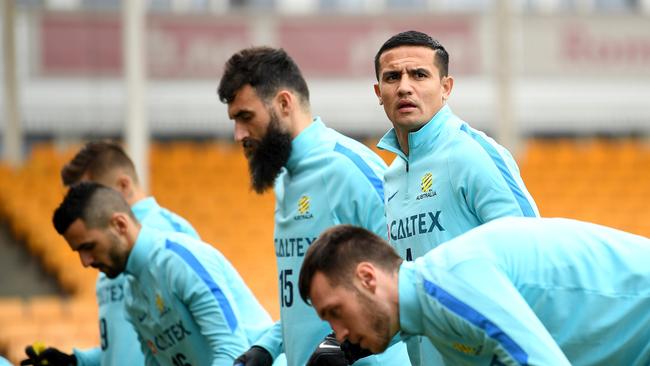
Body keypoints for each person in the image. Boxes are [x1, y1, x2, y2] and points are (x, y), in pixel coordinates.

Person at [217, 47, 409, 366]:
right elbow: (302, 304)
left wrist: (345, 347)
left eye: (245, 117)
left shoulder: (350, 169)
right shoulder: (285, 182)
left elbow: (405, 278)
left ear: (283, 103)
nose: (239, 134)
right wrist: (266, 347)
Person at [373, 30, 539, 364]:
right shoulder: (390, 178)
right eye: (392, 77)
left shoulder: (472, 154)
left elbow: (533, 256)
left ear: (446, 87)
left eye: (419, 74)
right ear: (379, 92)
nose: (404, 86)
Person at [299, 218, 650, 365]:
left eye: (335, 312)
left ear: (368, 278)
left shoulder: (452, 282)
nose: (339, 334)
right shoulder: (432, 316)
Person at [51, 182, 274, 365]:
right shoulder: (132, 295)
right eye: (78, 251)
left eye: (88, 247)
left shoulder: (179, 261)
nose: (85, 261)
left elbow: (233, 351)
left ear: (120, 224)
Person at [22, 141, 200, 366]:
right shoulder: (107, 251)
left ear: (123, 186)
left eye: (90, 193)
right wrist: (76, 361)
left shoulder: (167, 235)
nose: (81, 206)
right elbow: (127, 346)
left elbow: (190, 340)